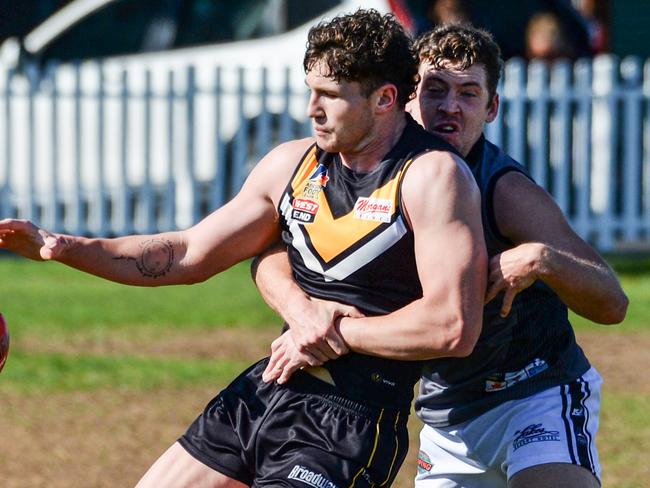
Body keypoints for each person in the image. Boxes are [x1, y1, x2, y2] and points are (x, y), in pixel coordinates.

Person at [0, 10, 487, 488]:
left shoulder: (432, 177)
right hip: (265, 389)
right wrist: (65, 246)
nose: (311, 109)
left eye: (330, 96)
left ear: (384, 99)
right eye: (310, 91)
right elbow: (188, 252)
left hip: (349, 419)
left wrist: (329, 330)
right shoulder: (292, 164)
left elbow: (451, 327)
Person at [252, 23, 628, 488]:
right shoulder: (366, 170)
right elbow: (271, 244)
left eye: (469, 94)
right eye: (436, 90)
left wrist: (540, 259)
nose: (450, 106)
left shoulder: (504, 191)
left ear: (491, 108)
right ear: (408, 97)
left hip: (535, 393)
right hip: (445, 415)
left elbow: (613, 303)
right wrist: (300, 311)